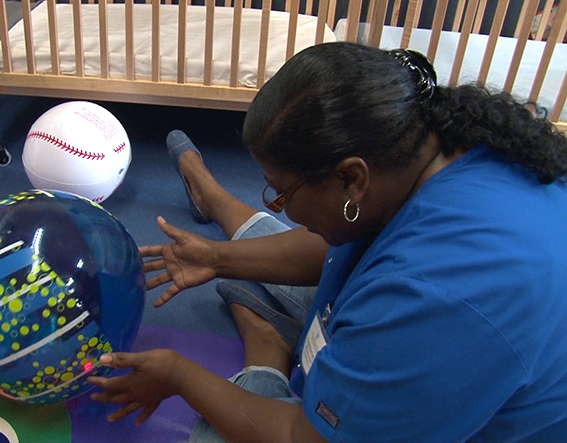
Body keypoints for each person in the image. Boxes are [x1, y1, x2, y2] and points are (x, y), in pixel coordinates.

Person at [87, 42, 567, 441]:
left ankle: (266, 352)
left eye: (281, 193)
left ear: (351, 178)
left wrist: (177, 375)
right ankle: (217, 205)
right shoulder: (428, 146)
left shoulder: (439, 294)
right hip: (431, 329)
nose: (280, 204)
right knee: (292, 242)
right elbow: (336, 243)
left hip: (443, 383)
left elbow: (304, 438)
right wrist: (218, 257)